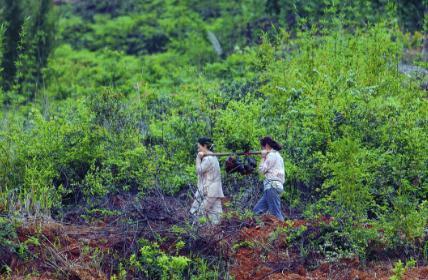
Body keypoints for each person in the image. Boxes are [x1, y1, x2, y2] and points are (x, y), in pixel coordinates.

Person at [190, 137, 224, 225]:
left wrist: (198, 159)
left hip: (210, 191)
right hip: (215, 191)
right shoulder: (213, 157)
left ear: (204, 146)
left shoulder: (208, 158)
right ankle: (214, 234)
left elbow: (199, 170)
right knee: (216, 215)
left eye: (199, 147)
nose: (198, 149)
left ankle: (196, 232)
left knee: (197, 211)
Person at [253, 136, 285, 221]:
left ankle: (284, 232)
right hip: (273, 186)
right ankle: (261, 230)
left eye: (263, 147)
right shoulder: (279, 156)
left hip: (272, 186)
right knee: (256, 211)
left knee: (276, 214)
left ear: (266, 145)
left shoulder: (271, 155)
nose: (262, 149)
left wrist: (263, 157)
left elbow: (261, 170)